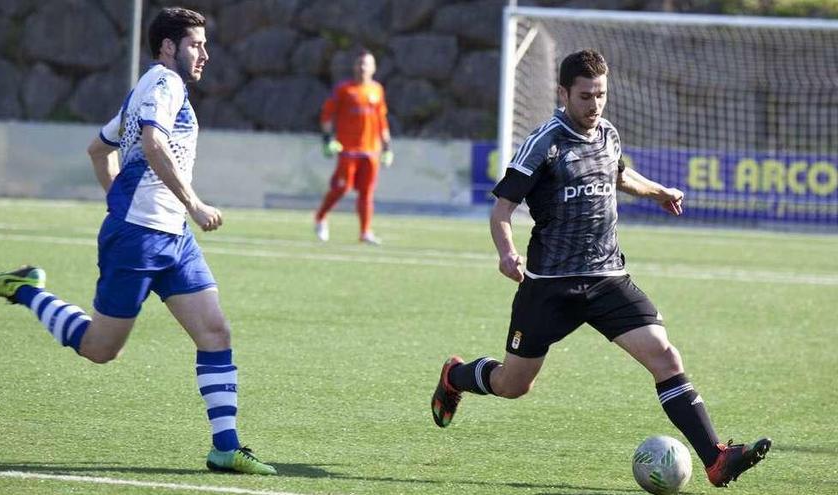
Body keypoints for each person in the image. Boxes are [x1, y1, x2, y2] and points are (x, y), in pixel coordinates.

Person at [430, 49, 770, 488]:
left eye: (601, 95)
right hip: (549, 287)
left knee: (665, 356)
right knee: (514, 384)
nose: (595, 105)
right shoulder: (545, 143)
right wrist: (507, 254)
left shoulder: (607, 133)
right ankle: (455, 375)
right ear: (564, 93)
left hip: (608, 277)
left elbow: (618, 175)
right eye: (586, 96)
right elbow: (502, 210)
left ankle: (715, 459)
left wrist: (657, 191)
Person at [0, 7, 276, 476]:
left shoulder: (146, 89)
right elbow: (154, 144)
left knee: (215, 332)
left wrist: (124, 199)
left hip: (171, 237)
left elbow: (99, 149)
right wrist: (193, 204)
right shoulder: (164, 83)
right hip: (140, 239)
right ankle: (27, 291)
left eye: (203, 44)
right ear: (168, 47)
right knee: (101, 349)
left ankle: (226, 447)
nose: (205, 53)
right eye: (196, 44)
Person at [314, 48, 392, 245]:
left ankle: (365, 232)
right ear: (354, 66)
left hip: (370, 150)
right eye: (360, 63)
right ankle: (321, 218)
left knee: (367, 192)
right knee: (342, 187)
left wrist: (387, 147)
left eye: (367, 64)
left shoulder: (377, 90)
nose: (363, 67)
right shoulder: (344, 90)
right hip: (348, 149)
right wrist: (327, 139)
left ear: (373, 68)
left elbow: (382, 121)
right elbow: (327, 115)